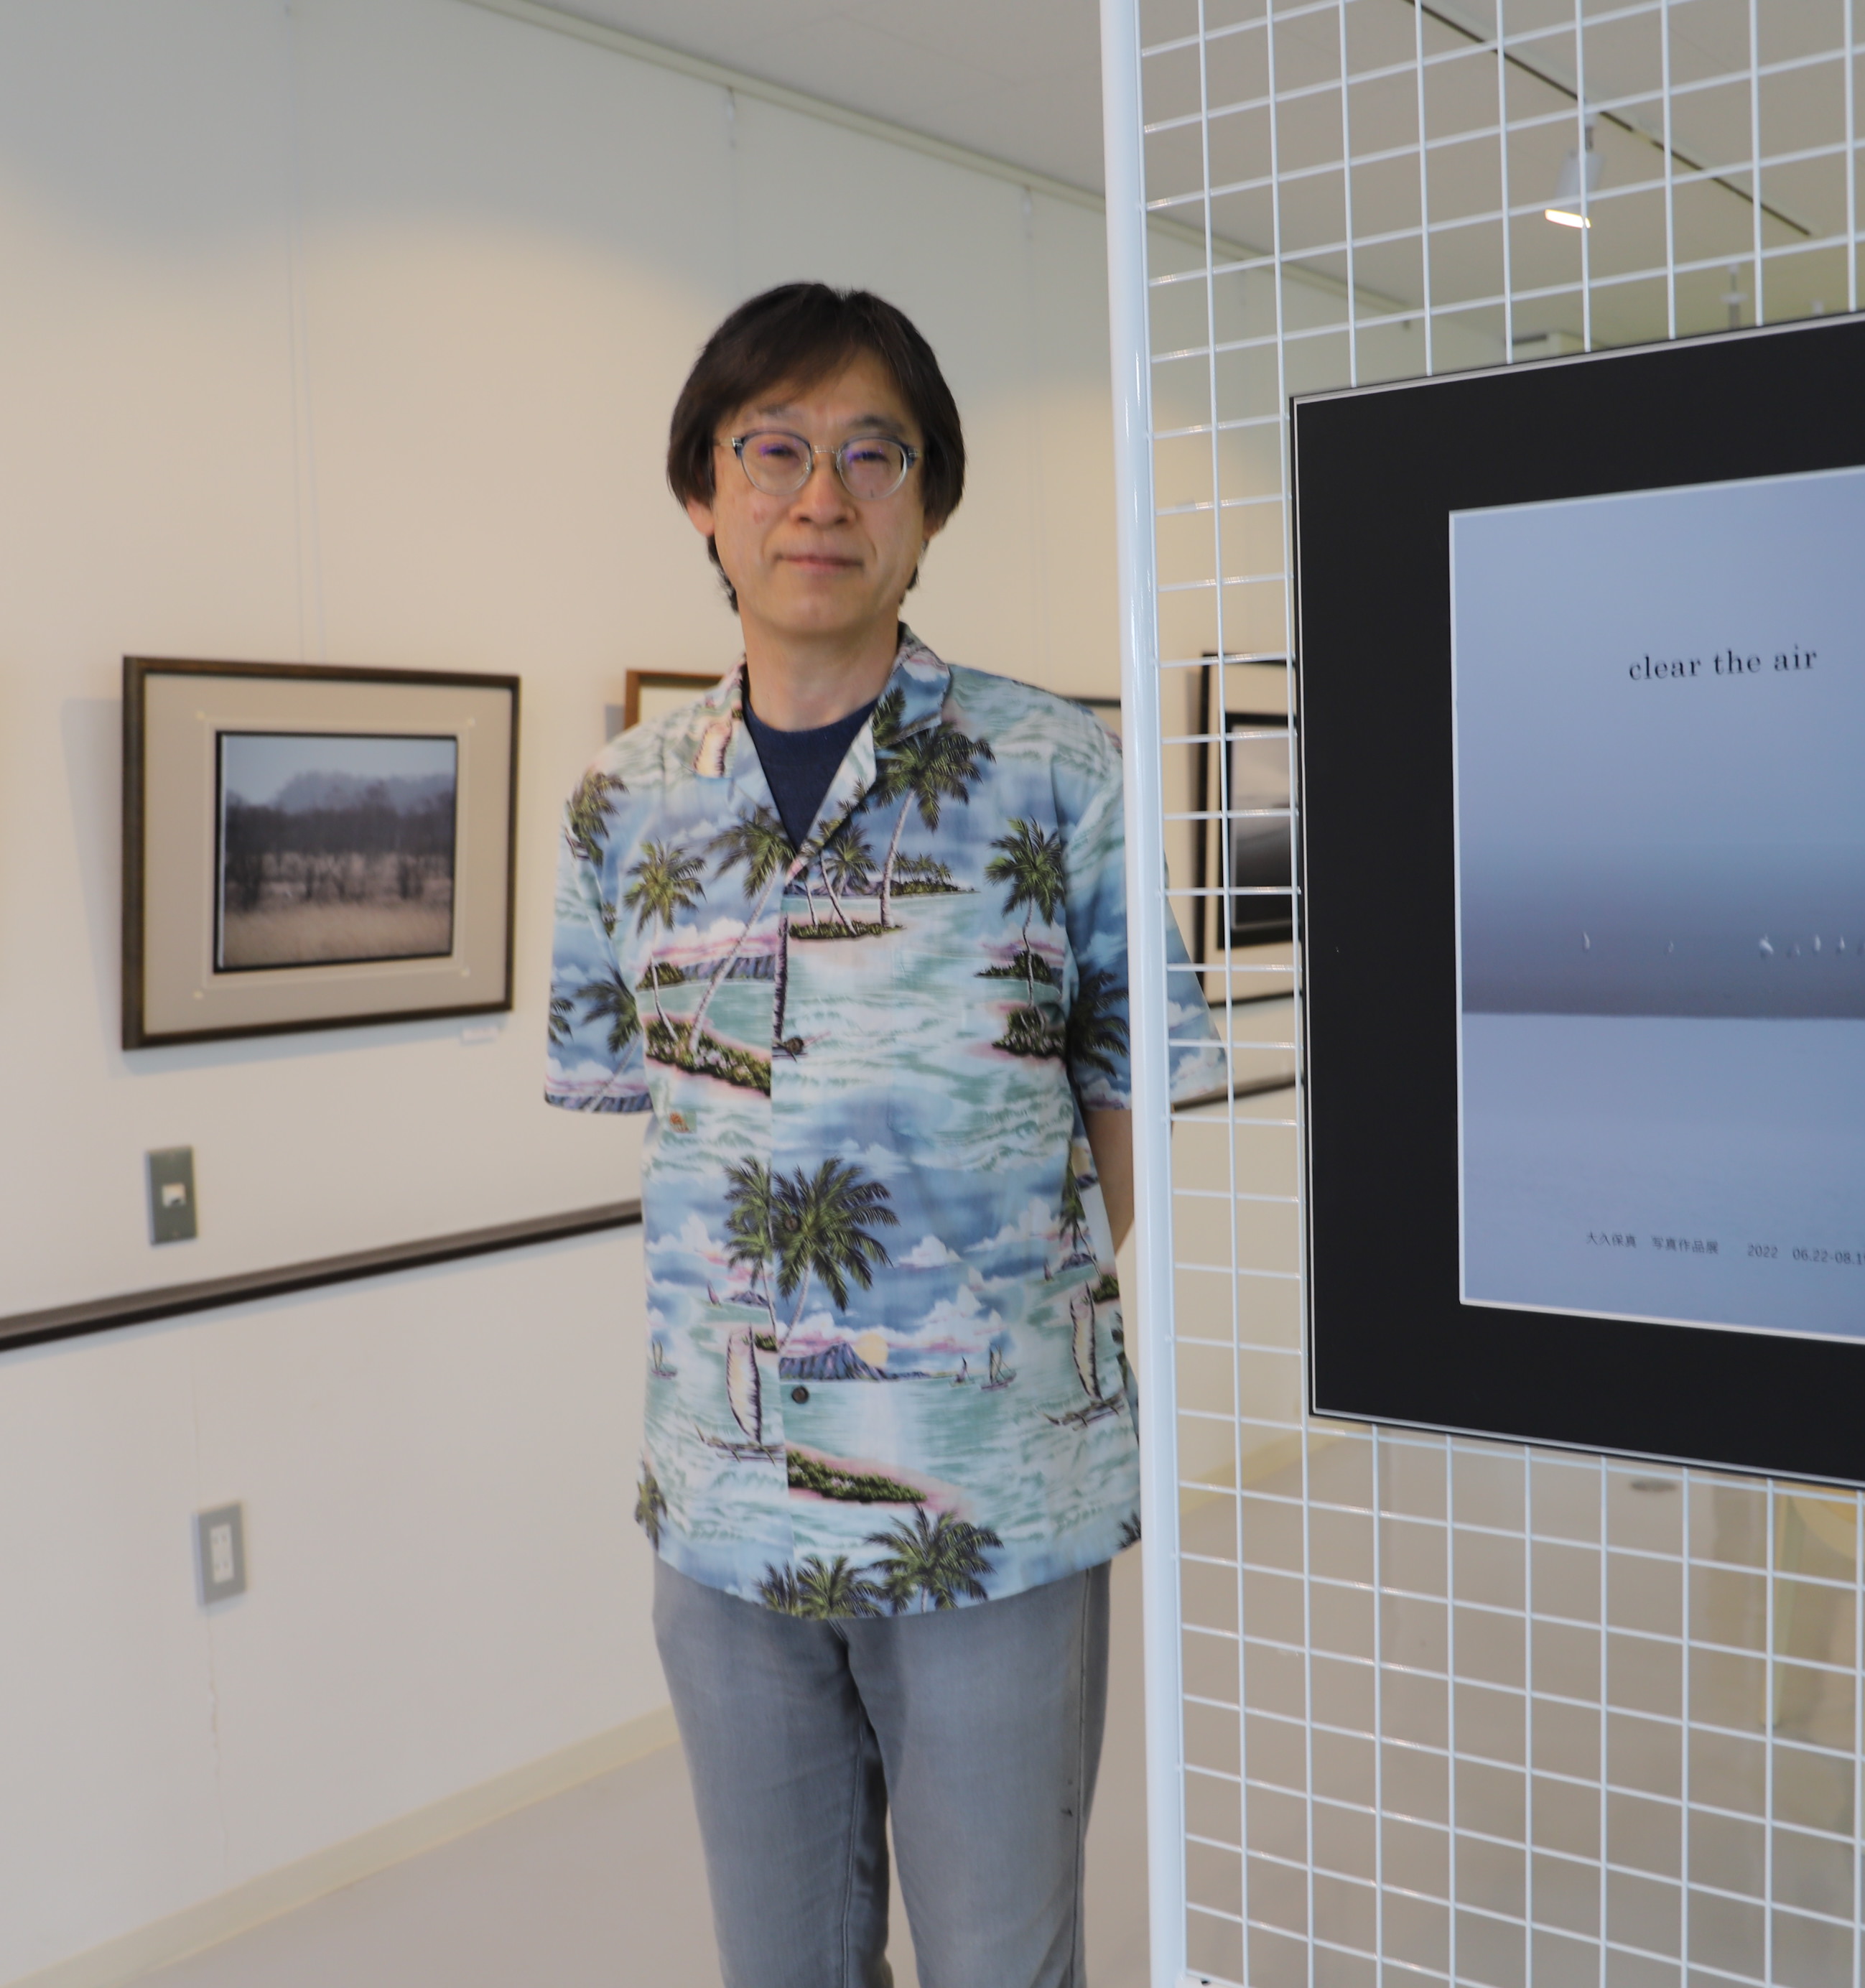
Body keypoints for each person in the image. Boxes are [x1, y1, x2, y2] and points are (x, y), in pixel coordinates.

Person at [542, 282, 1220, 1988]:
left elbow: (1128, 1103)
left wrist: (984, 1328)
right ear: (704, 493)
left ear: (929, 504)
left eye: (871, 453)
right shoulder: (623, 803)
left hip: (995, 1497)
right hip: (720, 1508)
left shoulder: (1057, 772)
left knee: (1004, 1958)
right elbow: (657, 1112)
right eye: (771, 450)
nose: (819, 497)